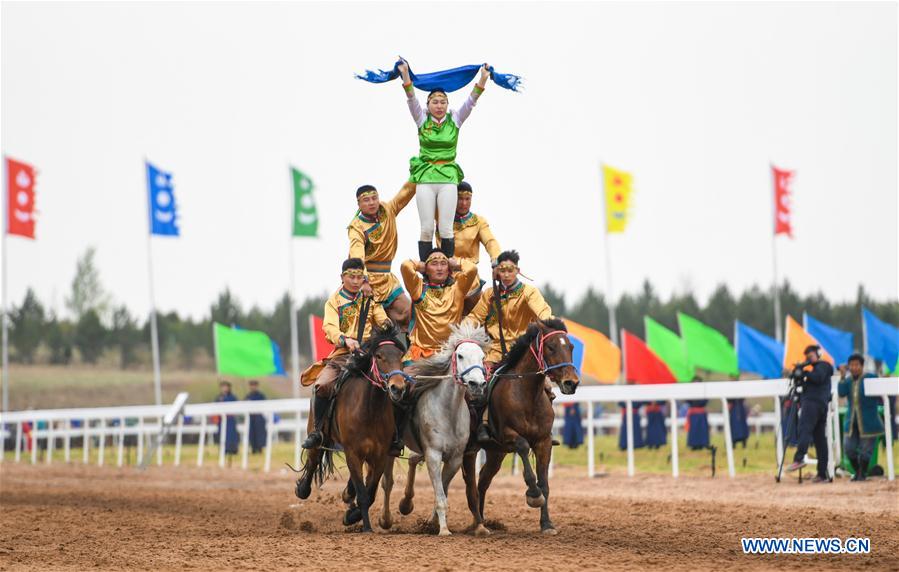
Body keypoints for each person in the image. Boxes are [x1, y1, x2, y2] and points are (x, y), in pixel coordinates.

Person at [397, 60, 489, 260]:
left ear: (447, 105)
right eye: (435, 102)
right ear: (428, 105)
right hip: (426, 177)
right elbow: (411, 97)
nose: (439, 106)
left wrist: (482, 78)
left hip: (447, 177)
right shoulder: (422, 120)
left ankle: (446, 268)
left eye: (442, 102)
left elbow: (471, 102)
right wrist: (405, 74)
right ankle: (426, 268)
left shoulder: (454, 120)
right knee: (427, 228)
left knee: (446, 228)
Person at [300, 258, 392, 452]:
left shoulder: (369, 298)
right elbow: (329, 328)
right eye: (352, 277)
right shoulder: (333, 302)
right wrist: (345, 340)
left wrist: (387, 325)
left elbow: (381, 317)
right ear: (342, 277)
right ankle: (317, 431)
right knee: (322, 385)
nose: (356, 281)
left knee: (396, 382)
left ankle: (394, 435)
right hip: (342, 355)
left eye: (360, 277)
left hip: (369, 354)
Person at [464, 250, 553, 366]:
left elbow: (543, 312)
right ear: (497, 272)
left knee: (543, 382)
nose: (506, 275)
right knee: (480, 379)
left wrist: (552, 326)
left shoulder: (529, 292)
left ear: (517, 271)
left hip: (523, 351)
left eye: (510, 271)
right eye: (502, 271)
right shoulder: (489, 294)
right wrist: (459, 333)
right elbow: (475, 317)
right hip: (494, 352)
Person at [348, 183, 415, 329]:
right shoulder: (356, 227)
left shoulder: (388, 210)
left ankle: (415, 349)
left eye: (374, 198)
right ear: (359, 204)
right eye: (366, 200)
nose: (372, 202)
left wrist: (418, 176)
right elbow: (356, 256)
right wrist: (363, 281)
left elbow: (405, 193)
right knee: (362, 330)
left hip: (388, 281)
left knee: (412, 314)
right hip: (366, 284)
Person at [400, 250, 478, 365]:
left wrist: (456, 263)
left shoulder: (457, 290)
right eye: (434, 264)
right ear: (426, 269)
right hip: (421, 354)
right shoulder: (418, 288)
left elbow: (472, 269)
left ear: (449, 269)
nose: (440, 268)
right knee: (404, 380)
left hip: (450, 354)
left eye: (443, 264)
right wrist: (419, 265)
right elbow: (405, 266)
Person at [436, 181, 502, 314]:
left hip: (469, 274)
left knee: (486, 313)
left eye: (467, 199)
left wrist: (497, 259)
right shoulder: (440, 217)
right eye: (460, 198)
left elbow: (490, 241)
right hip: (442, 273)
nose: (464, 203)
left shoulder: (478, 221)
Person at [785, 344, 835, 482]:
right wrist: (800, 374)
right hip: (819, 405)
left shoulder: (823, 366)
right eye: (807, 357)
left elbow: (817, 378)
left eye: (811, 356)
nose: (808, 359)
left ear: (818, 354)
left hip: (813, 404)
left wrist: (804, 372)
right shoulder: (815, 369)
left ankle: (799, 458)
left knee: (804, 429)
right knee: (819, 439)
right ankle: (822, 474)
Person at [838, 353, 883, 481]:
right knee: (848, 448)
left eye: (856, 365)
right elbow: (841, 393)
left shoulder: (871, 378)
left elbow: (879, 392)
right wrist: (842, 376)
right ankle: (858, 472)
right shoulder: (847, 381)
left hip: (869, 421)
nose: (854, 368)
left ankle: (861, 474)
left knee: (866, 450)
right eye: (851, 365)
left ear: (862, 366)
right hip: (851, 421)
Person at [214, 381, 239, 456]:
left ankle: (233, 450)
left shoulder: (232, 397)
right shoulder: (218, 397)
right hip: (221, 420)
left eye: (226, 387)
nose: (225, 388)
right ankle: (223, 450)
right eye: (223, 387)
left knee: (231, 436)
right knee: (222, 435)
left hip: (230, 420)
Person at [686, 377, 709, 450]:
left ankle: (702, 444)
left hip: (701, 413)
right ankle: (693, 444)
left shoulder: (704, 391)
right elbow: (687, 400)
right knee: (693, 430)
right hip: (693, 413)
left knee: (702, 429)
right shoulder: (689, 392)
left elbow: (705, 401)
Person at [244, 380, 267, 454]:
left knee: (259, 435)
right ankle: (253, 449)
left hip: (259, 418)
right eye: (252, 385)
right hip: (251, 418)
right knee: (251, 434)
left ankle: (260, 449)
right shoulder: (248, 396)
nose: (253, 387)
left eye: (254, 385)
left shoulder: (261, 396)